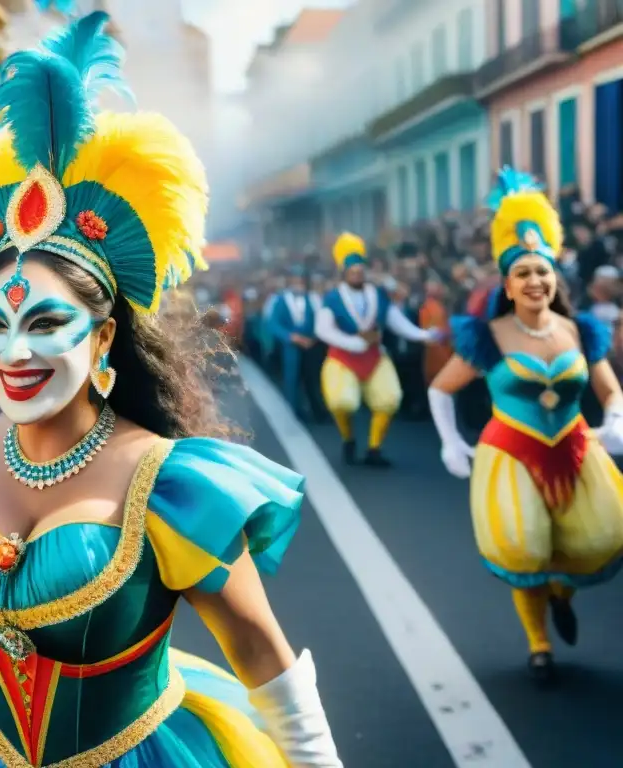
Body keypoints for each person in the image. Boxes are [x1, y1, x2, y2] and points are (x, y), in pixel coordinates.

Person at [0, 13, 341, 768]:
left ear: (103, 339)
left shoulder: (172, 484)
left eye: (45, 323)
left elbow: (259, 651)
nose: (14, 352)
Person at [428, 168, 623, 681]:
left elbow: (609, 389)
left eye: (543, 271)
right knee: (525, 545)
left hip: (577, 447)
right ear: (508, 287)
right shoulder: (486, 336)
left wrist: (618, 418)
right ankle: (539, 644)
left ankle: (562, 594)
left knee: (599, 537)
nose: (535, 281)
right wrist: (451, 442)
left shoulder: (582, 329)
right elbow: (440, 388)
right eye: (523, 274)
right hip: (511, 452)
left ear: (555, 277)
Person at [314, 233, 443, 466]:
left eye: (360, 271)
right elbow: (323, 329)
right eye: (352, 272)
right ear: (344, 273)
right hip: (342, 358)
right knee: (342, 401)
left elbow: (395, 321)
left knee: (390, 398)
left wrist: (423, 334)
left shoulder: (378, 295)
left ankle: (374, 449)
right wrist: (350, 342)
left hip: (374, 356)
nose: (357, 275)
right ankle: (348, 438)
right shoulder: (333, 298)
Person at [266, 267, 316, 421]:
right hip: (291, 345)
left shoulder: (311, 298)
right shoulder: (280, 300)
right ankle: (292, 411)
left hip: (310, 344)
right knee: (291, 377)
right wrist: (290, 337)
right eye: (295, 280)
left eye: (301, 280)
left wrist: (312, 337)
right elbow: (273, 324)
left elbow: (317, 319)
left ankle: (314, 410)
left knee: (311, 377)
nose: (298, 283)